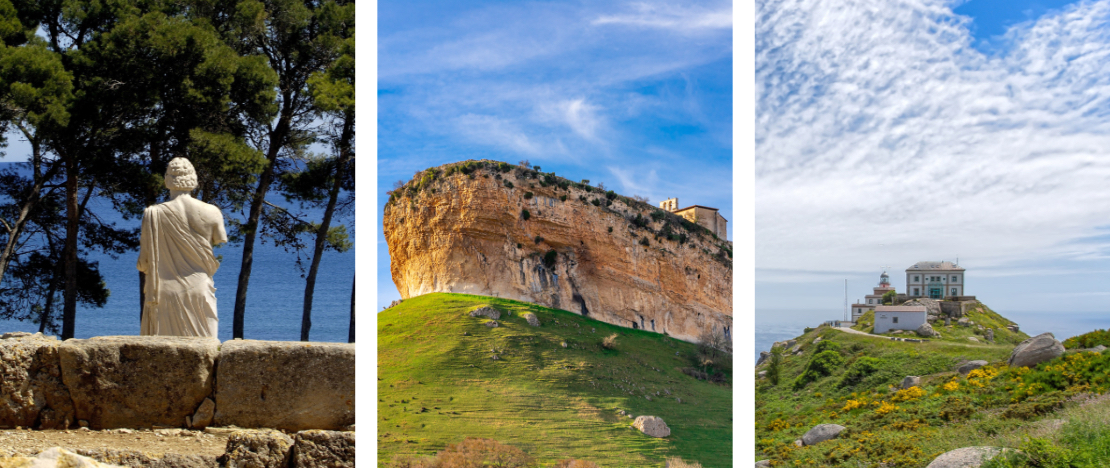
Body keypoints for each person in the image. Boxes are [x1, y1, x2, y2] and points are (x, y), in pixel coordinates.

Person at [137, 157, 228, 337]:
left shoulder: (152, 214)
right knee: (205, 349)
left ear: (167, 180)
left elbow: (143, 263)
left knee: (161, 355)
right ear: (193, 180)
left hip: (163, 293)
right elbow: (220, 239)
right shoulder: (212, 212)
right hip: (199, 288)